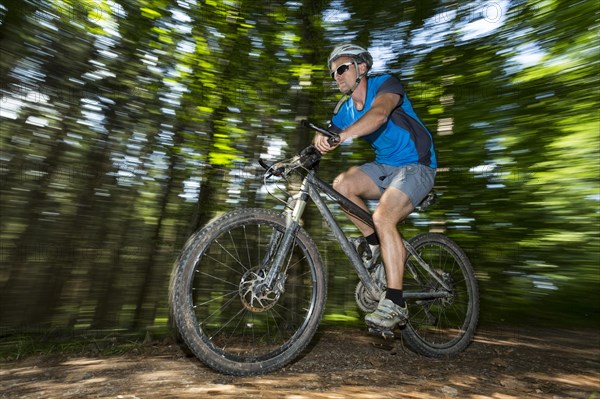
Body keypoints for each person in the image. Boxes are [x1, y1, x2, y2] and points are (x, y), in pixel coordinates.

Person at [313, 43, 437, 331]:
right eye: (333, 73)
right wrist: (306, 153)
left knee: (383, 216)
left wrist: (341, 137)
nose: (337, 76)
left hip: (417, 166)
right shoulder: (345, 111)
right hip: (386, 168)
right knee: (341, 185)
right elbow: (323, 138)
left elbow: (380, 115)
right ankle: (373, 244)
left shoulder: (386, 85)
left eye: (342, 68)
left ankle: (395, 302)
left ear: (362, 67)